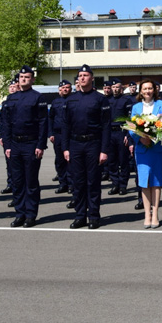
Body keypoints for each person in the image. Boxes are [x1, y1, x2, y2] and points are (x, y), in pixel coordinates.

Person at [62, 65, 111, 229]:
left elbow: (106, 126)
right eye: (80, 75)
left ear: (92, 78)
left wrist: (104, 150)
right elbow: (65, 126)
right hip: (75, 145)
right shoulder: (71, 99)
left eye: (85, 75)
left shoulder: (100, 99)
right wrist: (65, 148)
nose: (82, 78)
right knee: (78, 182)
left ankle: (94, 216)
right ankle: (80, 216)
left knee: (93, 182)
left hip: (93, 144)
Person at [0, 66, 48, 228]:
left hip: (31, 144)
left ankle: (30, 215)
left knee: (31, 182)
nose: (24, 79)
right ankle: (19, 213)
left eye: (27, 77)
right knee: (17, 181)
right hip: (14, 145)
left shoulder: (38, 98)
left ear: (32, 79)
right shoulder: (11, 99)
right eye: (21, 77)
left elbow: (43, 123)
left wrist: (40, 145)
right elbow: (6, 123)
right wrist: (7, 145)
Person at [129, 79, 162, 228]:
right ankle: (147, 214)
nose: (147, 91)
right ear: (140, 92)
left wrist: (154, 138)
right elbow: (130, 127)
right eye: (144, 89)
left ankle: (155, 214)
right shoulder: (136, 107)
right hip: (142, 150)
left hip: (157, 149)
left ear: (154, 90)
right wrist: (141, 138)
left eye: (150, 88)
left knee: (156, 181)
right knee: (144, 182)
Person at [107, 78, 135, 196]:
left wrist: (128, 135)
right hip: (109, 134)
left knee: (123, 161)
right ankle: (115, 184)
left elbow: (130, 119)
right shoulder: (106, 100)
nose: (115, 89)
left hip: (121, 133)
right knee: (111, 161)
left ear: (121, 88)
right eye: (113, 87)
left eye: (117, 87)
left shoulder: (126, 100)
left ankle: (123, 185)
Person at [48, 80, 73, 196]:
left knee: (70, 160)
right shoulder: (55, 102)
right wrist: (50, 133)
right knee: (59, 160)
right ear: (59, 89)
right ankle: (63, 183)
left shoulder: (74, 100)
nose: (65, 89)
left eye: (67, 87)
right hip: (57, 134)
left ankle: (71, 184)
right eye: (63, 87)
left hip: (70, 135)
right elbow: (50, 118)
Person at [0, 77, 19, 197]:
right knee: (9, 163)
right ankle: (10, 184)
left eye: (14, 86)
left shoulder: (19, 101)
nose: (12, 88)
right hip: (7, 137)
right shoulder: (5, 103)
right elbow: (2, 122)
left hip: (18, 137)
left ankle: (17, 187)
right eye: (10, 87)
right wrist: (1, 136)